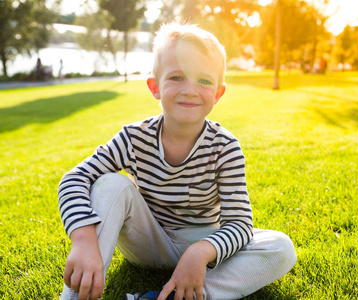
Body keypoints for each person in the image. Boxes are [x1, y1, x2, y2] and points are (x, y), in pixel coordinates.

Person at [58, 22, 297, 300]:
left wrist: (201, 251)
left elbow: (240, 225)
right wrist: (84, 239)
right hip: (149, 242)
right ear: (155, 86)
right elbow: (74, 178)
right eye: (177, 77)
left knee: (280, 248)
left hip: (203, 243)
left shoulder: (225, 146)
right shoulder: (133, 137)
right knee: (110, 185)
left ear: (218, 93)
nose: (189, 90)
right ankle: (77, 296)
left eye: (204, 80)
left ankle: (168, 297)